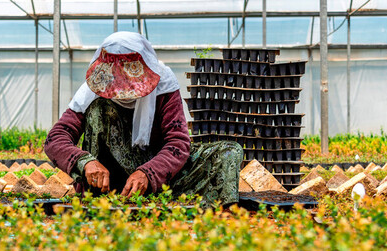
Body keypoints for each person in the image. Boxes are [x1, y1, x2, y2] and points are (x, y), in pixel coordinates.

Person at [45, 32, 243, 206]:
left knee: (229, 152)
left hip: (157, 172)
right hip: (108, 181)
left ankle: (157, 195)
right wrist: (86, 162)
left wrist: (148, 173)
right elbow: (55, 139)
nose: (124, 93)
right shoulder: (94, 89)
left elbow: (178, 142)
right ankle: (103, 197)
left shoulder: (164, 85)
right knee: (99, 109)